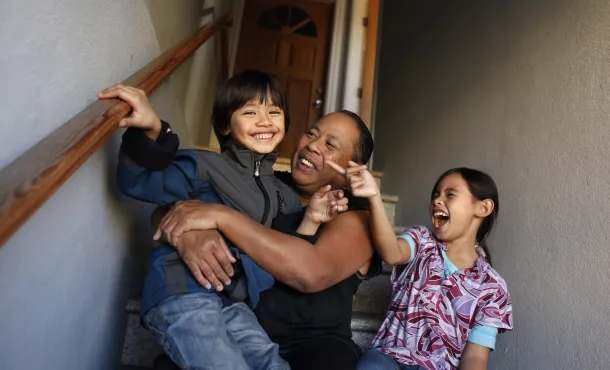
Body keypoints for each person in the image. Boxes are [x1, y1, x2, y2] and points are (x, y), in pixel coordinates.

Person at [99, 70, 348, 370]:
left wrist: (311, 217)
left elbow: (285, 255)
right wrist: (153, 130)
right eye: (249, 112)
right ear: (223, 125)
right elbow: (137, 181)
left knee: (273, 364)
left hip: (235, 305)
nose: (265, 120)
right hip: (182, 292)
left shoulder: (287, 196)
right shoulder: (204, 165)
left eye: (274, 111)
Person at [153, 110, 380, 370]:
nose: (313, 146)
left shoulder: (358, 213)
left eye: (330, 145)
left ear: (353, 170)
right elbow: (169, 210)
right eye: (312, 134)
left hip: (316, 346)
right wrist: (189, 234)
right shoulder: (263, 183)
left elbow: (312, 272)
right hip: (239, 327)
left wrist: (221, 216)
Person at [327, 163, 513, 370]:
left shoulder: (492, 288)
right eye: (435, 194)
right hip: (387, 356)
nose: (437, 200)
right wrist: (374, 198)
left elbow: (476, 358)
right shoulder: (421, 239)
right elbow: (391, 251)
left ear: (483, 208)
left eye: (450, 194)